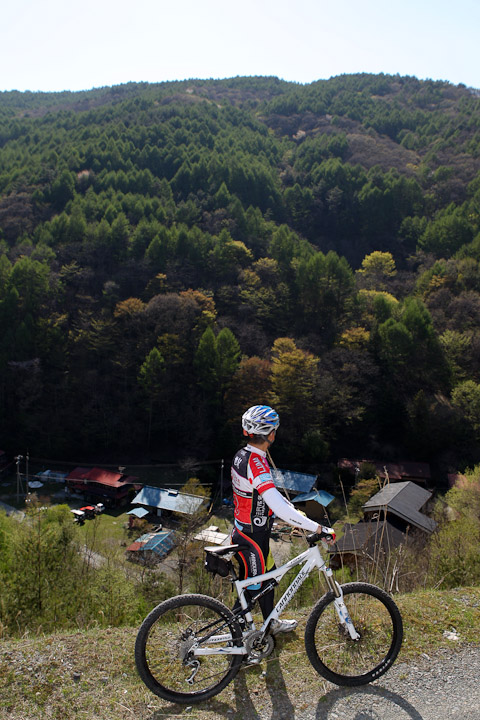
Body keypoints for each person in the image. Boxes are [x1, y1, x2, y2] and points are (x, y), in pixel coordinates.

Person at [230, 404, 335, 635]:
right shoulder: (256, 464)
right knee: (251, 588)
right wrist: (317, 527)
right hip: (253, 537)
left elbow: (272, 498)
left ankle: (270, 624)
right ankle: (236, 641)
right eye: (274, 430)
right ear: (269, 433)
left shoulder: (244, 455)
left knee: (267, 580)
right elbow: (277, 506)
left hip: (247, 530)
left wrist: (297, 514)